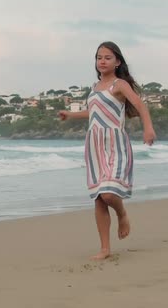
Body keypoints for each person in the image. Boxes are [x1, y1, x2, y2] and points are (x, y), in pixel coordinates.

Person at [58, 41, 156, 260]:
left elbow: (140, 105)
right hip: (94, 146)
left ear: (117, 61)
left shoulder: (119, 85)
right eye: (99, 57)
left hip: (115, 143)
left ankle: (122, 214)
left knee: (109, 193)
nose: (102, 61)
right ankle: (105, 248)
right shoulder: (94, 88)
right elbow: (93, 112)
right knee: (99, 198)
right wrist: (71, 115)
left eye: (107, 57)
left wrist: (148, 128)